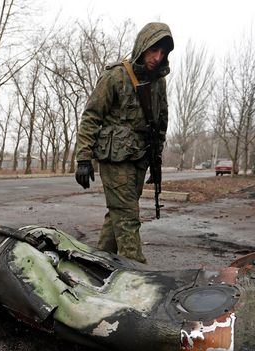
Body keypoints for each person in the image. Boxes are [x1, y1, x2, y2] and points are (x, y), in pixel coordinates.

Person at [74, 22, 173, 264]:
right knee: (128, 217)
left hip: (140, 159)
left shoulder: (159, 82)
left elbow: (160, 123)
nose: (157, 58)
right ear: (142, 47)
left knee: (118, 214)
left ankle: (96, 265)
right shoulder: (116, 75)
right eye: (153, 51)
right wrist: (83, 157)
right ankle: (137, 276)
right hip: (114, 157)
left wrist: (156, 162)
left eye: (162, 53)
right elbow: (92, 115)